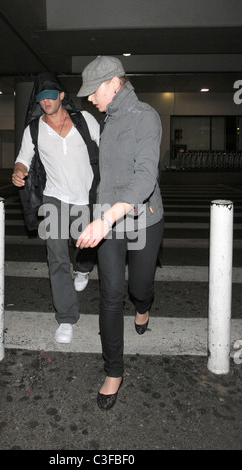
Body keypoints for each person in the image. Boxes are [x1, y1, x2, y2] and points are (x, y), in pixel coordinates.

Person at [76, 56, 164, 410]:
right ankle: (114, 371)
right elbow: (106, 177)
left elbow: (145, 177)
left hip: (143, 220)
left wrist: (107, 217)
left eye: (93, 92)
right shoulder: (106, 121)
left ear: (114, 83)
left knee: (137, 288)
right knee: (110, 295)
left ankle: (144, 305)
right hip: (108, 221)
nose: (90, 100)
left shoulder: (146, 117)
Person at [12, 73, 99, 344]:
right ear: (37, 101)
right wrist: (18, 171)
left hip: (85, 197)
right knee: (57, 258)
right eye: (41, 97)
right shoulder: (34, 129)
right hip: (54, 199)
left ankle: (83, 267)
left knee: (86, 248)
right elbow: (23, 160)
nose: (47, 101)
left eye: (51, 95)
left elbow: (106, 149)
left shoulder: (85, 120)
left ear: (62, 96)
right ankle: (66, 317)